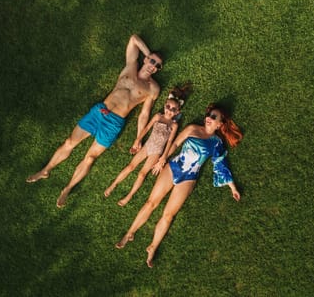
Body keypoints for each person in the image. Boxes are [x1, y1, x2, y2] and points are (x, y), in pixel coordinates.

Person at [26, 34, 163, 208]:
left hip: (114, 123)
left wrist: (138, 138)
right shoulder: (130, 66)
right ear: (146, 59)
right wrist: (148, 54)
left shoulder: (152, 88)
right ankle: (45, 170)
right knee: (69, 142)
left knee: (90, 158)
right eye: (152, 61)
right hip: (99, 112)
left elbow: (144, 114)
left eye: (157, 65)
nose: (153, 66)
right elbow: (133, 39)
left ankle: (67, 189)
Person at [115, 103, 243, 268]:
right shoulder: (192, 129)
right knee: (150, 203)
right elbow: (175, 144)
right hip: (173, 167)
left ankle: (152, 247)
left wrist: (232, 187)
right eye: (209, 115)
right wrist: (162, 159)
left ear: (220, 124)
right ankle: (129, 233)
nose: (208, 118)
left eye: (213, 117)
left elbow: (220, 164)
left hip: (189, 178)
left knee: (168, 215)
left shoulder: (216, 143)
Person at [104, 84, 192, 206]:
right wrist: (137, 140)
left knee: (141, 174)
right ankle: (113, 185)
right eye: (168, 107)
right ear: (164, 105)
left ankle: (129, 196)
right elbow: (146, 129)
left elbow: (170, 142)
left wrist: (163, 158)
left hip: (157, 151)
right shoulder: (158, 116)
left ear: (177, 112)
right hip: (147, 146)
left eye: (173, 109)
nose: (169, 111)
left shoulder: (173, 125)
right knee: (130, 167)